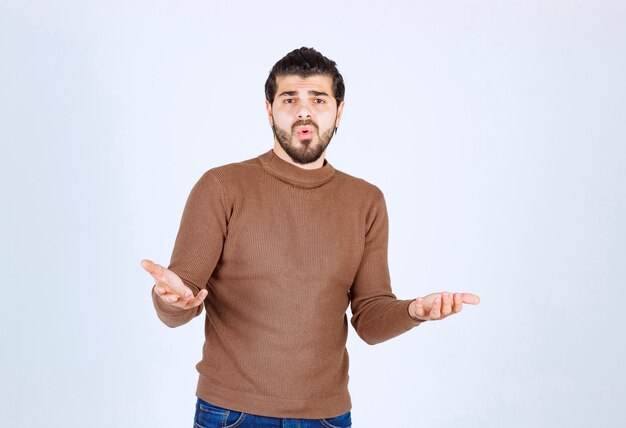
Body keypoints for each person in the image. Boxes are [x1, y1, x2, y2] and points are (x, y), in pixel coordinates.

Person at [141, 47, 480, 428]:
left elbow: (369, 318)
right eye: (290, 99)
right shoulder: (221, 186)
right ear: (269, 110)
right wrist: (171, 299)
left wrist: (413, 311)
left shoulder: (365, 200)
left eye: (318, 99)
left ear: (339, 111)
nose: (304, 111)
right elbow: (181, 297)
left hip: (328, 418)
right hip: (231, 414)